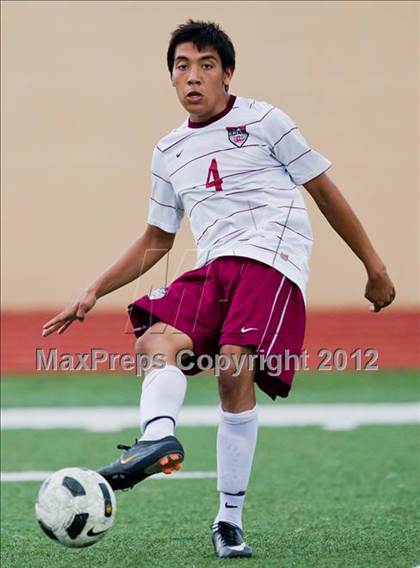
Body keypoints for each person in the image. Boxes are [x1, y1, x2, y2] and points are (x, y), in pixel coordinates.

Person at [42, 20, 396, 558]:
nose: (193, 76)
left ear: (227, 74)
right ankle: (158, 438)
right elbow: (158, 238)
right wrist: (93, 291)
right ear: (172, 78)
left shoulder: (266, 120)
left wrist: (373, 265)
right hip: (214, 267)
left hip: (271, 261)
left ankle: (228, 519)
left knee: (233, 370)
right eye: (182, 66)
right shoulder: (168, 151)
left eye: (206, 65)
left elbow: (323, 189)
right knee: (154, 342)